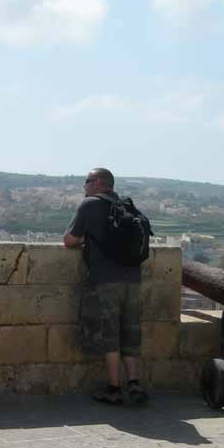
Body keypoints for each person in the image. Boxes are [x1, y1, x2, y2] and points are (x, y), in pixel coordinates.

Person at [63, 167, 148, 405]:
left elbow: (69, 240)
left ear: (99, 182)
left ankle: (113, 388)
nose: (84, 186)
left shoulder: (89, 205)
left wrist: (85, 239)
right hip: (133, 278)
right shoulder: (127, 206)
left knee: (110, 336)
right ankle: (134, 383)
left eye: (87, 181)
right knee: (130, 333)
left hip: (105, 279)